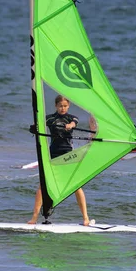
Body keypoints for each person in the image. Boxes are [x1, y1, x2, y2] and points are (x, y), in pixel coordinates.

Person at [28, 95, 91, 226]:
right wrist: (34, 128)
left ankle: (86, 218)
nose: (63, 108)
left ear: (68, 106)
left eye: (65, 106)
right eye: (60, 106)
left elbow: (75, 122)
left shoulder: (71, 118)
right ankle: (34, 217)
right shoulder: (50, 119)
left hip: (68, 154)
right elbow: (38, 124)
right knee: (43, 185)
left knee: (76, 186)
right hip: (53, 154)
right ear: (56, 106)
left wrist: (71, 125)